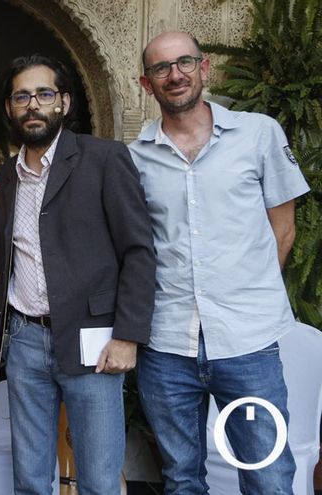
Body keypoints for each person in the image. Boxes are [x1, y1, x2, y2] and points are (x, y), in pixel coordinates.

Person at [129, 32, 309, 494]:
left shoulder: (259, 133)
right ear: (146, 84)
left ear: (204, 68)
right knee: (182, 479)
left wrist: (249, 291)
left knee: (268, 475)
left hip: (248, 342)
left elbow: (283, 228)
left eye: (185, 62)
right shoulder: (134, 158)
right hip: (166, 344)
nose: (175, 74)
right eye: (161, 68)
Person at [0, 54, 156, 495]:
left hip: (94, 341)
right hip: (24, 340)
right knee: (29, 479)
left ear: (63, 102)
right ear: (9, 107)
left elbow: (139, 249)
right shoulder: (7, 177)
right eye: (21, 96)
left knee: (100, 480)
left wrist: (128, 335)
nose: (33, 105)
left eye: (44, 94)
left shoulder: (103, 159)